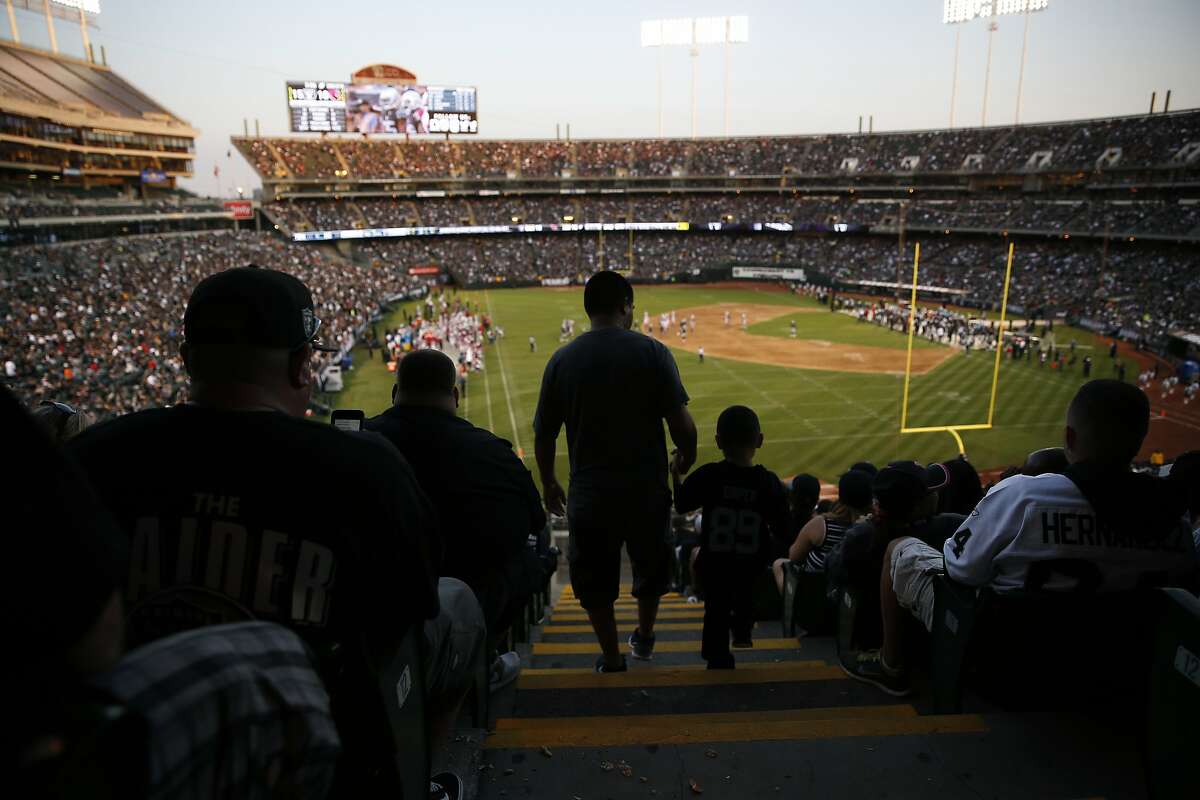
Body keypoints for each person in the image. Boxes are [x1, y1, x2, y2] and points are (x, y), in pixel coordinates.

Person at [66, 267, 476, 799]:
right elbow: (413, 600)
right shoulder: (363, 467)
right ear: (304, 365)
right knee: (458, 605)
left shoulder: (95, 457)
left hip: (141, 757)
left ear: (187, 359)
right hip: (327, 748)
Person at [856, 380, 1199, 697]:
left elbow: (960, 570)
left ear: (1070, 437)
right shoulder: (1178, 523)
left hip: (1006, 665)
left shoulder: (1023, 495)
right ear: (1139, 441)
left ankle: (891, 666)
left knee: (900, 550)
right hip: (1115, 674)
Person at [533, 270, 697, 672]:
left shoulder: (562, 359)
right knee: (651, 567)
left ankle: (611, 656)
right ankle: (644, 637)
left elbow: (544, 433)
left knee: (593, 580)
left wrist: (549, 480)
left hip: (590, 490)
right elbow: (682, 425)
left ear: (588, 309)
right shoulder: (653, 352)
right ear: (625, 306)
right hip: (646, 486)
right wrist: (685, 457)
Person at [366, 349, 547, 691]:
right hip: (466, 598)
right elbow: (535, 522)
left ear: (394, 393)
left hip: (371, 605)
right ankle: (480, 661)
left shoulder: (355, 441)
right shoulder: (493, 453)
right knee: (530, 557)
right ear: (455, 395)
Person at [672, 406, 789, 668]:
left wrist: (675, 473)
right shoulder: (768, 482)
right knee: (746, 592)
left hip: (716, 560)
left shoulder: (710, 475)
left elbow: (680, 504)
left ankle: (718, 658)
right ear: (759, 440)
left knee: (715, 609)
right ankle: (743, 628)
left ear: (718, 442)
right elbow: (783, 525)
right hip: (751, 561)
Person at [775, 470, 872, 592]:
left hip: (817, 597)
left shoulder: (821, 524)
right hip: (853, 600)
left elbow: (794, 556)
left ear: (841, 497)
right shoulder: (876, 529)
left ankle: (790, 610)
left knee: (779, 563)